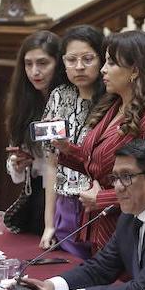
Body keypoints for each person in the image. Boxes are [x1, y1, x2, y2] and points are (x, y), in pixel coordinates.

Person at [55, 30, 145, 255]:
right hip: (101, 226)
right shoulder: (113, 106)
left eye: (111, 63)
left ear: (135, 70)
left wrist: (102, 198)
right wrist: (66, 149)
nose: (103, 69)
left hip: (133, 231)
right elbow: (97, 162)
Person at [22, 139, 145, 290]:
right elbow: (101, 268)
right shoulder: (130, 216)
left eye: (127, 177)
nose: (118, 187)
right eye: (115, 178)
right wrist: (51, 286)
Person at [40, 25, 106, 259]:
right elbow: (50, 163)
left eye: (88, 59)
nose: (79, 67)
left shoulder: (112, 99)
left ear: (102, 60)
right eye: (71, 59)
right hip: (65, 205)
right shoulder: (59, 96)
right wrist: (49, 223)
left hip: (98, 206)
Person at [4, 31, 62, 235]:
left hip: (65, 194)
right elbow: (16, 172)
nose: (34, 71)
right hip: (37, 193)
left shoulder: (69, 100)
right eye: (28, 64)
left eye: (42, 63)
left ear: (58, 63)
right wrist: (18, 162)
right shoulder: (23, 102)